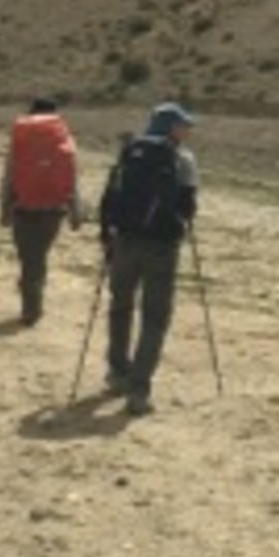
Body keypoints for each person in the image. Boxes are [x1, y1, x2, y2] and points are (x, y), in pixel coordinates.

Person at [88, 102, 198, 414]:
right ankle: (138, 390)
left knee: (120, 306)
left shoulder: (130, 151)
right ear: (172, 127)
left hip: (124, 240)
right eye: (184, 126)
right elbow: (188, 207)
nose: (188, 131)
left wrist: (106, 235)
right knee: (155, 317)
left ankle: (117, 373)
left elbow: (110, 196)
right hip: (162, 247)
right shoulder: (182, 159)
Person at [0, 95, 81, 325]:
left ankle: (31, 307)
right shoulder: (64, 139)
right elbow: (71, 177)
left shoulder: (21, 138)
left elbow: (9, 176)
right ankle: (34, 301)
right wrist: (75, 211)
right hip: (53, 209)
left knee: (29, 258)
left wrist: (4, 208)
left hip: (23, 207)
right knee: (39, 255)